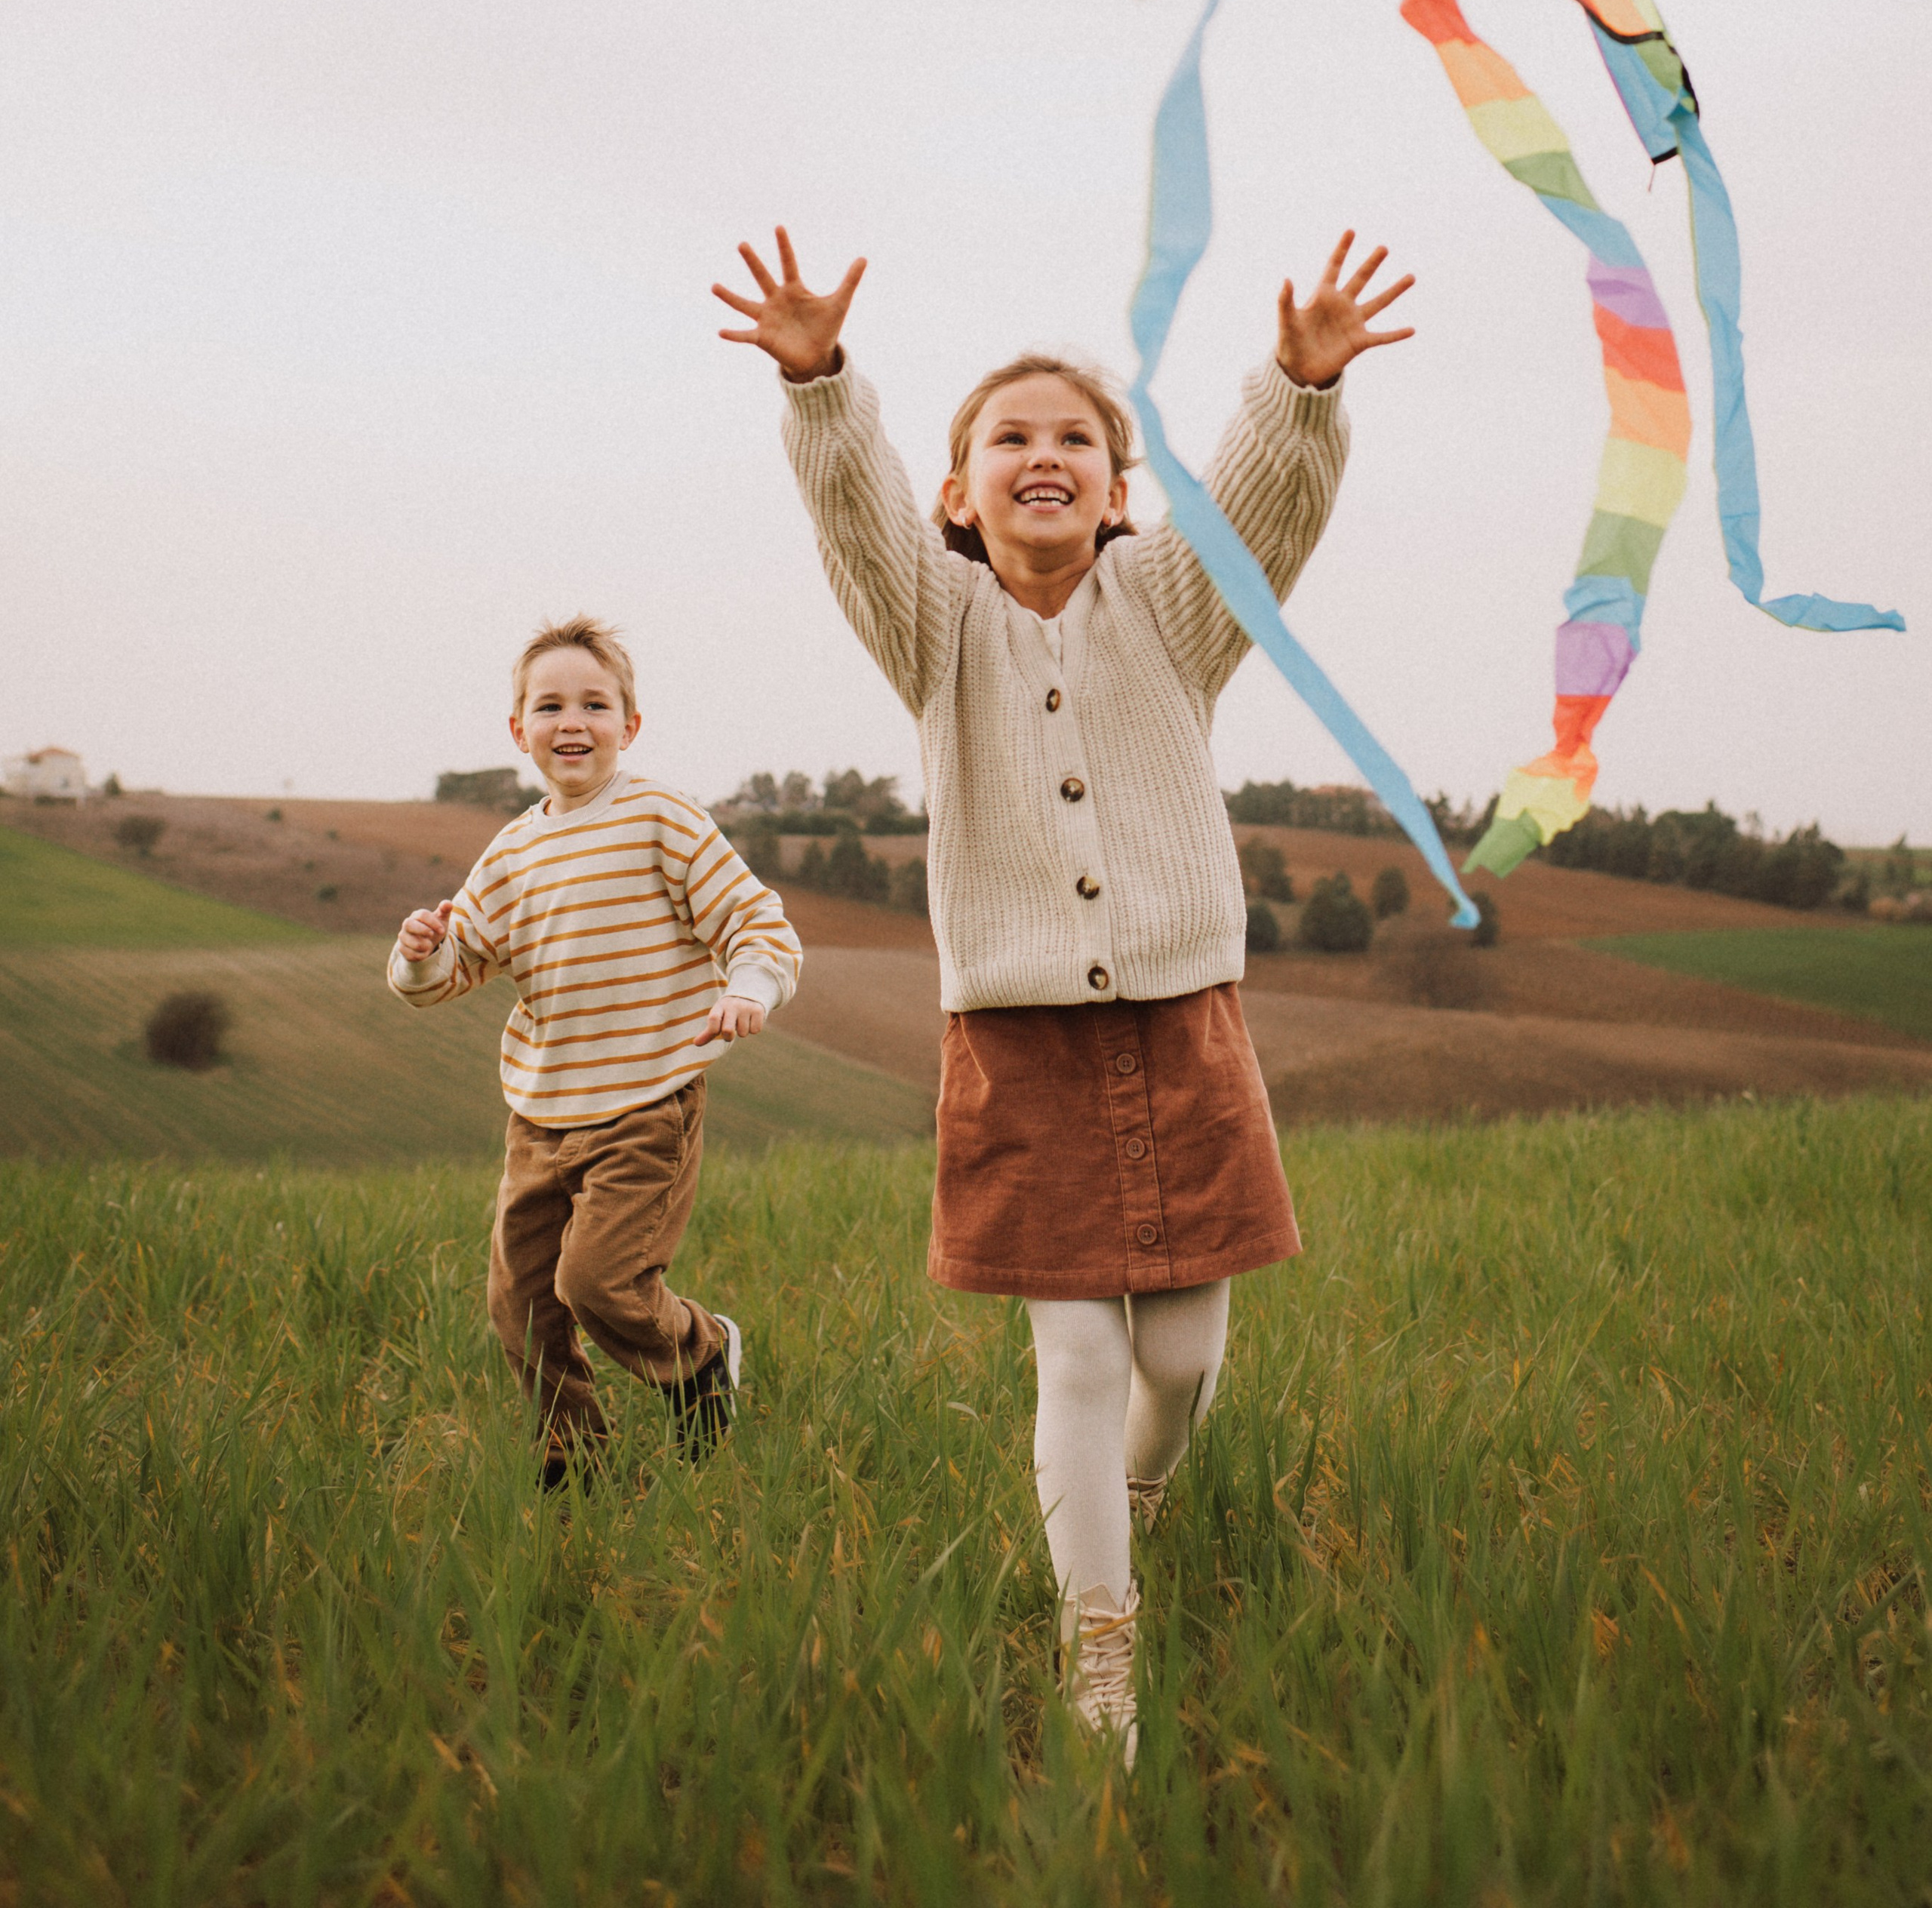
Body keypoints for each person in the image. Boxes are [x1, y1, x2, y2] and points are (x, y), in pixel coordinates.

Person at [712, 225, 1412, 1759]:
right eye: (1008, 438)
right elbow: (854, 518)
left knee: (1182, 1358)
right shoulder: (932, 625)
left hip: (1181, 1021)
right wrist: (821, 383)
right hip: (1019, 1034)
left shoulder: (1172, 605)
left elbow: (1260, 515)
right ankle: (1102, 1644)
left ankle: (1136, 1501)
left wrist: (1294, 391)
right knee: (1080, 1357)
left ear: (1116, 487)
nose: (1045, 453)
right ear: (957, 493)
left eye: (1076, 437)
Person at [388, 614, 801, 1479]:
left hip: (647, 1102)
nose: (571, 720)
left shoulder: (661, 817)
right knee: (520, 1302)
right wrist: (421, 952)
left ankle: (699, 1352)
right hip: (539, 1114)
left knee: (599, 1282)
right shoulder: (511, 852)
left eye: (594, 703)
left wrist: (746, 989)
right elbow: (455, 967)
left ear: (629, 724)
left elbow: (757, 923)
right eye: (549, 704)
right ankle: (575, 1462)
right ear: (519, 731)